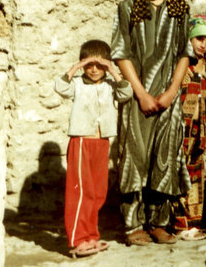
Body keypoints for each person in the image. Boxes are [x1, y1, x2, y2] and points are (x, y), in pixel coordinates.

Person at [111, 0, 192, 246]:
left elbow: (186, 52)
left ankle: (159, 222)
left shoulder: (180, 9)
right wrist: (141, 93)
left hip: (168, 98)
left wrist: (171, 93)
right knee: (134, 157)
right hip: (137, 97)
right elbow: (121, 53)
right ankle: (133, 226)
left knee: (164, 156)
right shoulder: (128, 7)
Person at [54, 39, 133, 257]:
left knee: (98, 192)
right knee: (81, 192)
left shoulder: (110, 85)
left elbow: (126, 93)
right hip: (81, 143)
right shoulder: (78, 84)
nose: (94, 70)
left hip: (101, 142)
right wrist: (77, 67)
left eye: (100, 66)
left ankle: (91, 236)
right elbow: (60, 86)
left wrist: (113, 71)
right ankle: (78, 240)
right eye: (90, 65)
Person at [172, 15, 206, 241]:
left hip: (200, 130)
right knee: (180, 173)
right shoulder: (181, 63)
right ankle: (180, 224)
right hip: (181, 129)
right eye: (199, 38)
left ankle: (194, 222)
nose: (203, 45)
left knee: (197, 175)